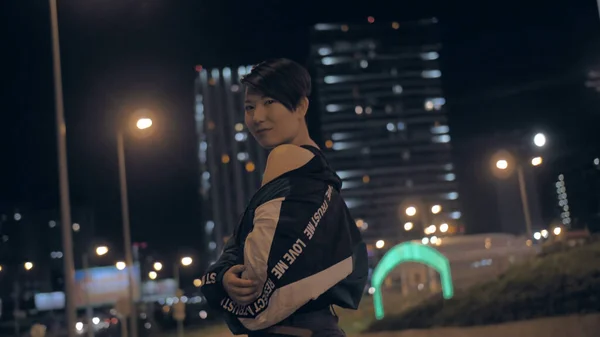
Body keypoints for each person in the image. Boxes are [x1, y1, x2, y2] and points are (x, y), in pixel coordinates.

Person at [200, 58, 368, 337]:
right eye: (249, 107)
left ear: (301, 106)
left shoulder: (286, 158)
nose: (257, 117)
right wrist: (225, 276)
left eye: (269, 102)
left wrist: (220, 280)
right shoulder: (321, 177)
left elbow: (254, 274)